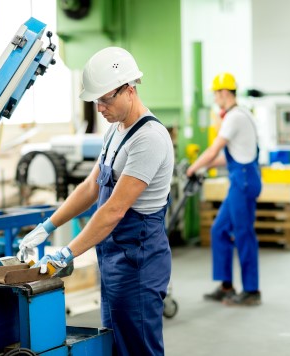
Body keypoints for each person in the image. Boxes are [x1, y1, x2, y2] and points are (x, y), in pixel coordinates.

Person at [19, 47, 174, 355]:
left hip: (138, 262)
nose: (100, 107)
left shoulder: (149, 139)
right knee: (116, 344)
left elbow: (114, 210)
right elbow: (91, 186)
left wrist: (67, 252)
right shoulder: (115, 131)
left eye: (105, 99)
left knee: (139, 347)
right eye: (96, 100)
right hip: (114, 257)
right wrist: (47, 226)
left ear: (129, 89)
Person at [186, 72, 262, 306]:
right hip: (241, 179)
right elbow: (227, 158)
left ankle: (251, 291)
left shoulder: (235, 117)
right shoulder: (241, 115)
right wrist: (202, 167)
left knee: (243, 233)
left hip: (244, 181)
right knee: (219, 230)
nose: (215, 98)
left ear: (225, 92)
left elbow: (214, 150)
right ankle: (227, 286)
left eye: (216, 93)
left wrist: (193, 168)